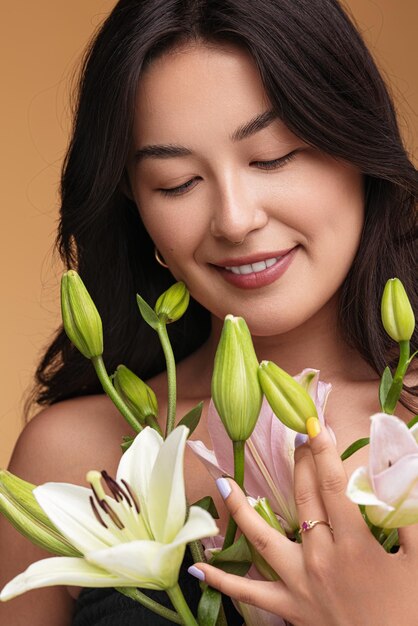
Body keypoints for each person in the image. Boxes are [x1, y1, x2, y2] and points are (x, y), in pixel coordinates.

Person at [0, 0, 416, 624]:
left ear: (357, 147)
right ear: (135, 207)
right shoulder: (74, 459)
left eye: (273, 156)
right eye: (175, 182)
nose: (235, 219)